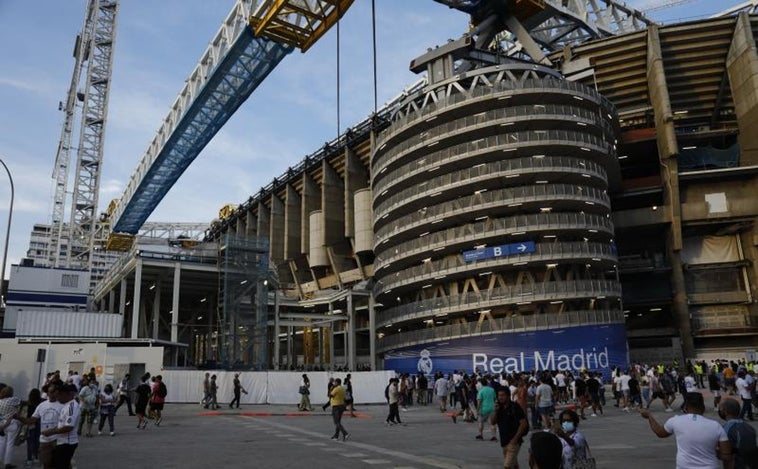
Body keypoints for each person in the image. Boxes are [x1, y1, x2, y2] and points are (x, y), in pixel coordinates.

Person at [639, 391, 731, 469]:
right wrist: (710, 450)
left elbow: (660, 433)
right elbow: (726, 455)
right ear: (703, 407)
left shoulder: (676, 420)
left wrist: (649, 416)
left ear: (686, 407)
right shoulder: (716, 426)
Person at [20, 383, 62, 469]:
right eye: (50, 392)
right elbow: (31, 420)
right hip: (45, 440)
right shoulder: (42, 405)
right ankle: (32, 458)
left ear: (57, 392)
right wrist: (19, 418)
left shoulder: (63, 405)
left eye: (54, 391)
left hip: (58, 439)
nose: (51, 393)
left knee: (58, 463)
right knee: (45, 463)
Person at [42, 384, 79, 469]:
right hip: (61, 441)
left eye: (60, 395)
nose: (58, 398)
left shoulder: (72, 407)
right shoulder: (66, 405)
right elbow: (62, 423)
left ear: (68, 394)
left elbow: (68, 427)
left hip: (67, 443)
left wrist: (51, 432)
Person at [490, 387, 528, 469]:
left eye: (503, 395)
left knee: (507, 466)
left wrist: (515, 439)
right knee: (514, 465)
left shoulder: (514, 407)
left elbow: (523, 424)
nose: (500, 397)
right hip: (504, 441)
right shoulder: (499, 408)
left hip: (513, 441)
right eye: (499, 395)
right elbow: (492, 422)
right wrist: (495, 411)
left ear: (508, 396)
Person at [719, 397, 758, 469]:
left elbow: (727, 454)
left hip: (738, 465)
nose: (720, 411)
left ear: (725, 411)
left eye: (720, 409)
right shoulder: (749, 427)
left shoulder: (726, 428)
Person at [0, 385, 22, 469]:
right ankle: (7, 463)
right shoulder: (13, 400)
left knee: (1, 443)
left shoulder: (0, 401)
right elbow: (22, 402)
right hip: (12, 424)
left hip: (2, 425)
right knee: (10, 444)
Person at [24, 388, 43, 466]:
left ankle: (29, 459)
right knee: (37, 441)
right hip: (39, 423)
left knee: (30, 442)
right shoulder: (41, 402)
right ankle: (36, 457)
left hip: (30, 423)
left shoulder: (28, 403)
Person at [476, 376, 497, 441]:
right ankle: (493, 436)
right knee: (492, 423)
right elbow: (494, 399)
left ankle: (481, 435)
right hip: (492, 408)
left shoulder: (481, 391)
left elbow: (479, 401)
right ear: (487, 383)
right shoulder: (492, 390)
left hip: (483, 409)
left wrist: (477, 410)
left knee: (481, 422)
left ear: (481, 384)